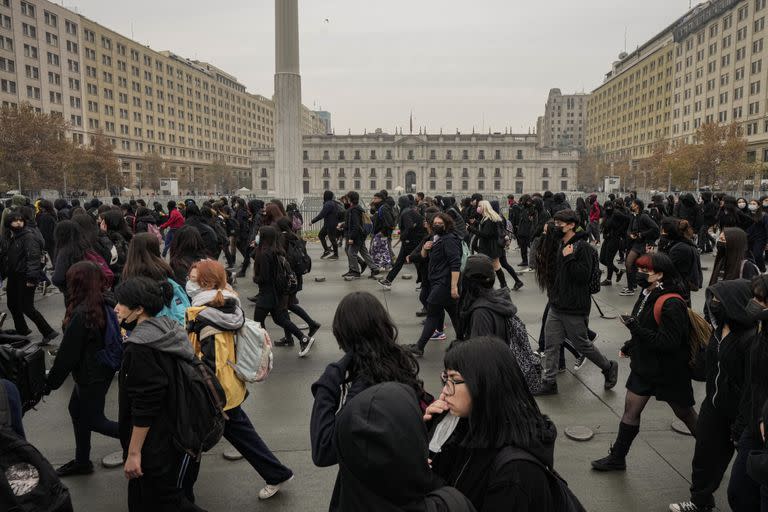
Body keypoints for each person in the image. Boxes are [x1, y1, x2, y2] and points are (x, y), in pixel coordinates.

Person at [311, 291, 435, 509]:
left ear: (345, 336)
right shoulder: (398, 362)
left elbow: (323, 450)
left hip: (372, 493)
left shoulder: (365, 388)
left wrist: (328, 384)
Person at [185, 259, 294, 500]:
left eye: (193, 279)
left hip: (215, 392)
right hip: (230, 386)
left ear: (206, 283)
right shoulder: (227, 303)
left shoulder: (204, 315)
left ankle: (181, 494)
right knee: (240, 435)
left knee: (192, 443)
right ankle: (276, 473)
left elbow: (209, 361)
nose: (189, 284)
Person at [425, 337, 565, 511]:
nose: (445, 391)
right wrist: (432, 429)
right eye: (445, 378)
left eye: (453, 379)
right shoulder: (472, 425)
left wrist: (427, 481)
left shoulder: (515, 472)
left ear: (484, 384)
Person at [591, 253, 700, 472]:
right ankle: (618, 458)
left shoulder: (671, 302)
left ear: (660, 275)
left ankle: (712, 448)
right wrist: (631, 345)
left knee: (685, 413)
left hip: (670, 372)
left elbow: (669, 342)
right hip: (645, 367)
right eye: (639, 268)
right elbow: (646, 327)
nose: (639, 273)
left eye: (645, 270)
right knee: (631, 410)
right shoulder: (647, 292)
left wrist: (635, 329)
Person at [669, 278, 758, 512]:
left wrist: (741, 423)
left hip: (740, 415)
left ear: (735, 302)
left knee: (748, 473)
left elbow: (752, 385)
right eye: (712, 299)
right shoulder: (719, 329)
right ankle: (700, 502)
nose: (713, 303)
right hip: (714, 407)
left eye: (719, 300)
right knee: (704, 458)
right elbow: (707, 370)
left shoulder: (750, 339)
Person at [45, 261, 120, 477]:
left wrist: (48, 385)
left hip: (90, 374)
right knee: (77, 410)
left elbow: (66, 356)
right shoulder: (104, 301)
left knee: (94, 420)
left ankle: (141, 441)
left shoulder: (81, 313)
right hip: (99, 370)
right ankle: (82, 460)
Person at [537, 209, 618, 396]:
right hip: (557, 304)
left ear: (572, 225)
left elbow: (582, 277)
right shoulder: (559, 243)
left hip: (574, 306)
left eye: (560, 224)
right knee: (551, 344)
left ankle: (608, 366)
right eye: (555, 223)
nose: (556, 227)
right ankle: (549, 382)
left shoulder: (584, 248)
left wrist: (569, 257)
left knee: (582, 344)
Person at [726, 275, 768, 511]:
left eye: (761, 299)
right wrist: (743, 422)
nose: (754, 303)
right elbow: (752, 383)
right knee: (739, 493)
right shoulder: (760, 334)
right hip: (753, 426)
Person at [406, 213, 462, 357]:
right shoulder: (436, 238)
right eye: (435, 223)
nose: (436, 225)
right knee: (455, 314)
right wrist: (425, 248)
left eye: (439, 223)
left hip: (444, 283)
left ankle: (419, 346)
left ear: (447, 224)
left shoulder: (450, 239)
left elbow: (455, 264)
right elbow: (424, 257)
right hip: (437, 281)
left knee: (432, 313)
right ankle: (464, 341)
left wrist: (454, 286)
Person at [252, 225, 314, 356]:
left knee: (258, 322)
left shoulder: (264, 254)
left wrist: (255, 278)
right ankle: (303, 338)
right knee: (280, 319)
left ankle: (263, 348)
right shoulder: (275, 251)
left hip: (266, 294)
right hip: (277, 292)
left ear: (263, 237)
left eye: (259, 234)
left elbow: (264, 277)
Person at [0, 211, 58, 342]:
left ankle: (48, 332)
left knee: (27, 307)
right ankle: (22, 329)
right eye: (15, 220)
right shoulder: (12, 237)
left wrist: (31, 279)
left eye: (21, 220)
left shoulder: (28, 237)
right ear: (9, 223)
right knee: (12, 304)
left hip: (25, 276)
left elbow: (33, 258)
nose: (19, 222)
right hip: (14, 276)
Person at [275, 216, 321, 345]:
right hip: (297, 276)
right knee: (288, 305)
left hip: (287, 277)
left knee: (284, 308)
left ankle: (291, 337)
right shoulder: (296, 237)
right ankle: (310, 325)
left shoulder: (282, 239)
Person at [379, 195, 426, 289]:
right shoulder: (410, 210)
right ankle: (423, 283)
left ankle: (388, 281)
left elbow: (409, 227)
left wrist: (403, 237)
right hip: (415, 239)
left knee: (406, 262)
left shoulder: (405, 212)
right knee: (413, 262)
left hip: (410, 240)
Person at [620, 199, 660, 297]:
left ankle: (648, 287)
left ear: (637, 206)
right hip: (636, 244)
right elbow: (629, 229)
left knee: (645, 266)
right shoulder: (633, 216)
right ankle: (631, 287)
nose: (631, 205)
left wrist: (642, 234)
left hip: (644, 244)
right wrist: (630, 235)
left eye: (633, 204)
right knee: (629, 263)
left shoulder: (644, 216)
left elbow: (655, 228)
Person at [341, 191, 381, 280]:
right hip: (360, 235)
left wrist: (351, 237)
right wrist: (343, 225)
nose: (346, 199)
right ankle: (374, 269)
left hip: (357, 235)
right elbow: (352, 223)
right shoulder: (356, 208)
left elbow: (355, 225)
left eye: (347, 198)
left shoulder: (354, 210)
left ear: (350, 199)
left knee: (351, 252)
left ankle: (355, 271)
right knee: (363, 252)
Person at [659, 218, 699, 304]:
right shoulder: (679, 244)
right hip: (680, 286)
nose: (661, 233)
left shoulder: (680, 248)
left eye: (663, 231)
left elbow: (666, 266)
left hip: (678, 287)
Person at [51, 220, 89, 302]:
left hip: (72, 292)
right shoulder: (85, 246)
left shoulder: (64, 252)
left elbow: (58, 278)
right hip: (89, 287)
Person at [599, 199, 628, 285]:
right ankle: (618, 271)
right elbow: (605, 225)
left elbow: (627, 220)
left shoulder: (616, 213)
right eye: (606, 208)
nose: (608, 209)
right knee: (602, 259)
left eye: (609, 208)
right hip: (607, 238)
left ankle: (609, 280)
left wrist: (619, 231)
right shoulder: (606, 214)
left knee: (609, 260)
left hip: (615, 239)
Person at [312, 190, 341, 260]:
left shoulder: (328, 204)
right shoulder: (333, 203)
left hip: (330, 224)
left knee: (332, 239)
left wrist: (312, 221)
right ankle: (327, 250)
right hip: (330, 223)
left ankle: (336, 254)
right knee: (321, 235)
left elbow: (322, 214)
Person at [746, 198, 768, 272]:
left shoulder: (764, 215)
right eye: (750, 204)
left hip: (760, 239)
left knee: (757, 255)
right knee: (748, 256)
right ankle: (753, 270)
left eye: (754, 204)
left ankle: (762, 269)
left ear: (758, 206)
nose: (752, 205)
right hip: (748, 238)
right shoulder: (746, 215)